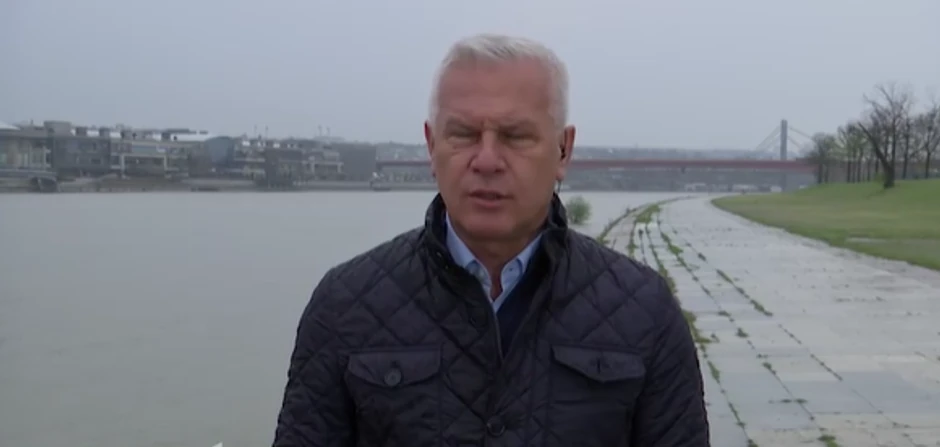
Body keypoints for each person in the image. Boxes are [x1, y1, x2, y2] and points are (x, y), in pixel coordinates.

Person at [273, 33, 709, 447]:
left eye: (515, 136)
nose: (486, 160)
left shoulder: (646, 312)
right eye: (463, 135)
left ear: (563, 149)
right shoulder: (345, 305)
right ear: (431, 146)